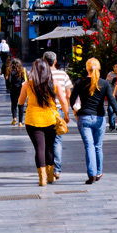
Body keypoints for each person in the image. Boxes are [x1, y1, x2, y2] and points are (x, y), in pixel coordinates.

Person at [71, 58, 117, 184]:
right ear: (98, 68)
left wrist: (76, 112)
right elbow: (112, 100)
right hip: (99, 118)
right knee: (97, 146)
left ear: (87, 68)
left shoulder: (80, 82)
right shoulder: (104, 83)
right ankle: (99, 172)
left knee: (89, 146)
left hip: (84, 118)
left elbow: (72, 100)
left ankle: (91, 174)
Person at [18, 58, 70, 185]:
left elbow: (20, 101)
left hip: (32, 120)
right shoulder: (54, 83)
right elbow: (63, 101)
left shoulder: (28, 84)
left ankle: (42, 179)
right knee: (49, 148)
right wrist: (66, 115)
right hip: (51, 119)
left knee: (39, 149)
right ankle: (51, 176)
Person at [43, 50, 73, 180]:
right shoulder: (63, 74)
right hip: (58, 110)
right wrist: (67, 114)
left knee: (44, 141)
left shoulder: (39, 75)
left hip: (43, 110)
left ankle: (46, 169)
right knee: (57, 141)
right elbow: (68, 94)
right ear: (55, 62)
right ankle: (57, 170)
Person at [4, 58, 28, 126]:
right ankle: (20, 122)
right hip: (21, 90)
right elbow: (27, 80)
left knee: (13, 104)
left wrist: (9, 87)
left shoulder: (10, 71)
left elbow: (8, 81)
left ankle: (14, 118)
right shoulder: (23, 71)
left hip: (13, 90)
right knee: (21, 105)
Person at [106, 63, 117, 131]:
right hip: (112, 96)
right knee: (110, 110)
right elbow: (106, 84)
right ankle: (111, 126)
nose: (115, 68)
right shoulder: (110, 74)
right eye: (114, 67)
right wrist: (108, 79)